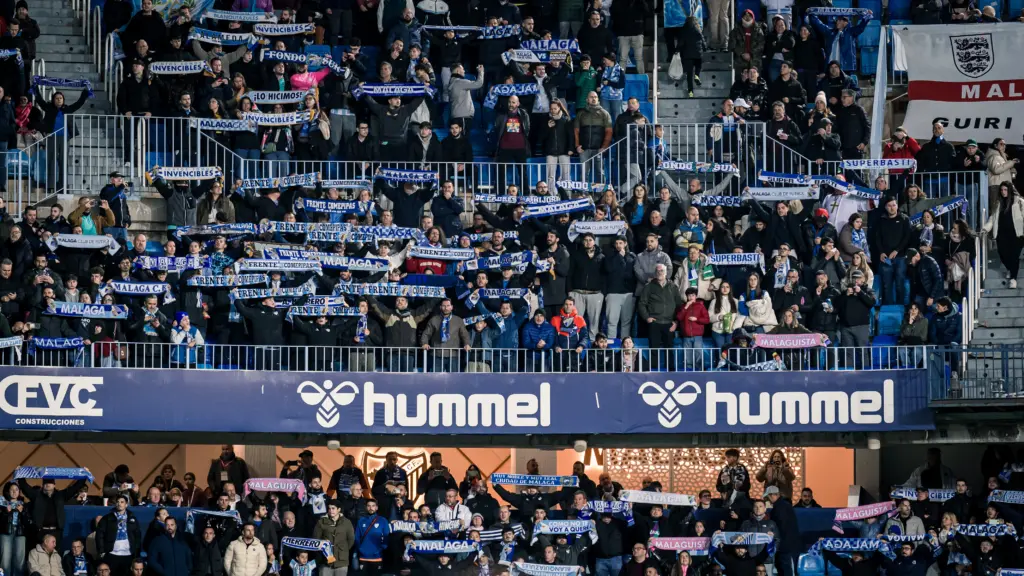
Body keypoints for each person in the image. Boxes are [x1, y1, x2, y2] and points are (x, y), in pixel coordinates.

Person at [983, 183, 1024, 288]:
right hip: (1002, 234)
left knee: (1014, 256)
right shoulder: (998, 203)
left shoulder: (1019, 202)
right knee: (1003, 254)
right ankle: (1010, 269)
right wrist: (986, 228)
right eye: (1001, 190)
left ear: (1009, 190)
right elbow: (992, 219)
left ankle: (1013, 279)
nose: (1003, 192)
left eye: (1005, 190)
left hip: (1017, 234)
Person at [95, 495, 142, 576]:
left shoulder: (132, 518)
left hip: (128, 554)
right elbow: (99, 535)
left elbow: (137, 536)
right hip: (112, 553)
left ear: (126, 504)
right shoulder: (107, 518)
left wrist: (136, 552)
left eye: (122, 502)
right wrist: (102, 550)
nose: (119, 504)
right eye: (118, 502)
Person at [312, 500, 354, 576]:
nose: (331, 510)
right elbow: (315, 540)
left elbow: (351, 539)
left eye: (333, 508)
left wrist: (343, 550)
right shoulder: (321, 522)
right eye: (329, 508)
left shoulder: (347, 522)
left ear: (339, 509)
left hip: (341, 561)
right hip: (325, 561)